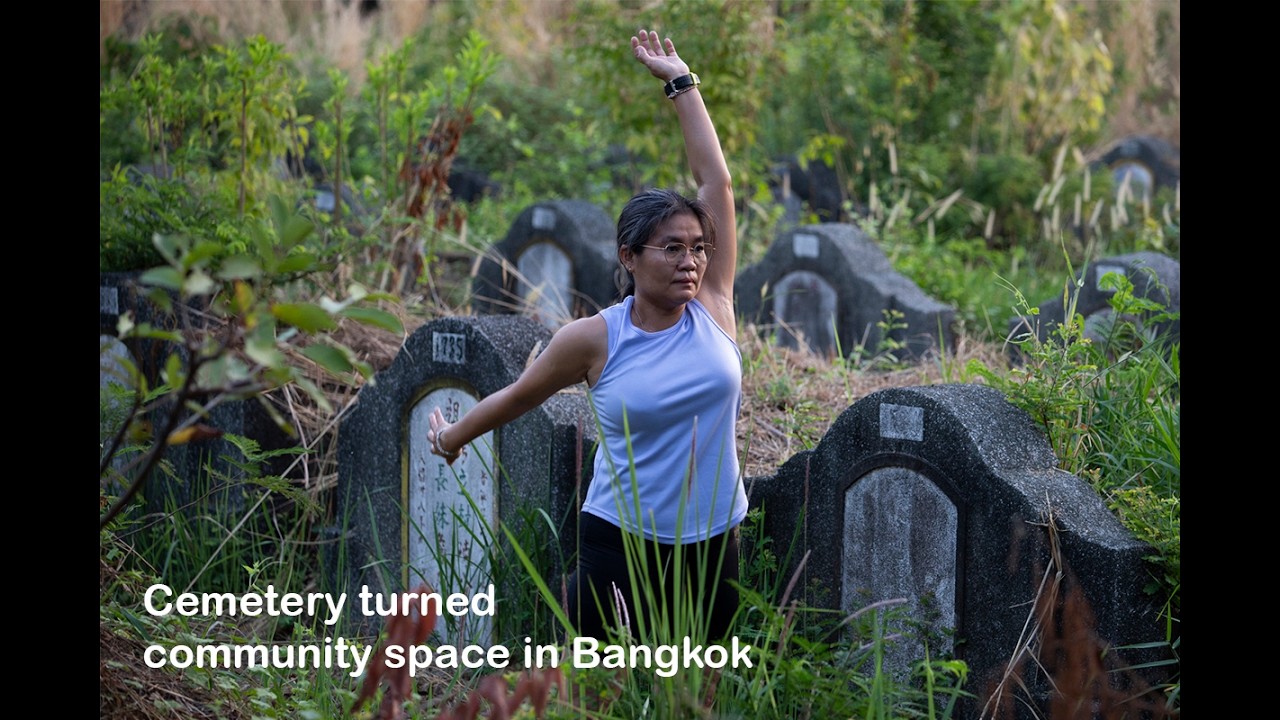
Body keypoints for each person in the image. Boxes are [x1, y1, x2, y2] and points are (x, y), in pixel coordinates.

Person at [426, 28, 744, 643]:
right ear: (629, 256)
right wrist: (452, 438)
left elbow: (716, 186)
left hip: (712, 538)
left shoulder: (713, 306)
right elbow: (521, 396)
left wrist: (681, 82)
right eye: (672, 249)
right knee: (594, 688)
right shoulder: (597, 338)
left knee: (702, 688)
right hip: (620, 541)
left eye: (699, 249)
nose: (692, 262)